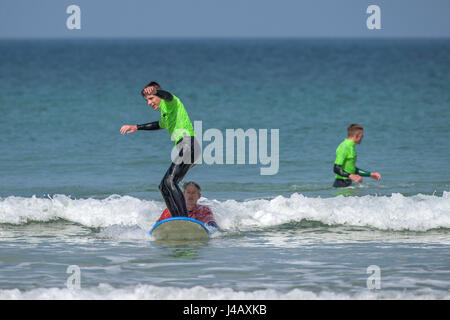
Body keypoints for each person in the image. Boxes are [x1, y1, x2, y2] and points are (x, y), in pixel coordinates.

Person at [120, 81, 201, 218]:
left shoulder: (170, 102)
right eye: (147, 100)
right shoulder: (166, 112)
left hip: (189, 145)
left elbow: (168, 95)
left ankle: (183, 219)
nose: (149, 103)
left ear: (158, 95)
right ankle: (177, 218)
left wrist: (157, 92)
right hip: (187, 148)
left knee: (170, 182)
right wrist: (137, 127)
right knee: (163, 186)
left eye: (151, 98)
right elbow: (158, 124)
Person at [333, 124, 381, 188]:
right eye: (362, 135)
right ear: (357, 135)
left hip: (347, 183)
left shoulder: (351, 147)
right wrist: (351, 176)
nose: (363, 137)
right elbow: (336, 168)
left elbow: (351, 169)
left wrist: (370, 174)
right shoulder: (344, 147)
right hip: (341, 184)